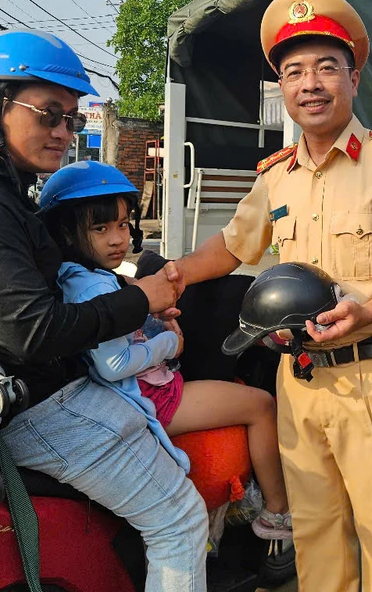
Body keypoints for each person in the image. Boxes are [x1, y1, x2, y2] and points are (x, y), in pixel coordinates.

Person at [167, 0, 372, 591]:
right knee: (317, 531)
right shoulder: (277, 178)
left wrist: (370, 308)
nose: (311, 84)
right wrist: (168, 278)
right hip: (298, 379)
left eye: (327, 67)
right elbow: (231, 247)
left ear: (354, 76)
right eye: (294, 72)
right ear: (282, 88)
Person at [0, 30, 208, 591]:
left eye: (70, 118)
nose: (64, 133)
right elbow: (34, 333)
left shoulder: (0, 187)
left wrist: (136, 311)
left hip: (37, 392)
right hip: (38, 404)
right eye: (48, 115)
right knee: (180, 518)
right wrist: (145, 299)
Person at [38, 160, 292, 540]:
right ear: (67, 233)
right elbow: (113, 365)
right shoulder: (92, 287)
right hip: (150, 396)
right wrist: (169, 344)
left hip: (142, 389)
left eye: (122, 225)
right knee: (260, 405)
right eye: (100, 228)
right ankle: (278, 512)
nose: (116, 239)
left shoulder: (89, 277)